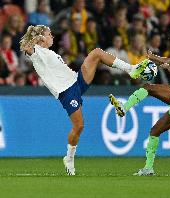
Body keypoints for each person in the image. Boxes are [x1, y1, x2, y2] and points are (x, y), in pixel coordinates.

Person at [19, 25, 149, 176]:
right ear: (42, 37)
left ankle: (131, 69)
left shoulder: (49, 52)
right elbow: (26, 47)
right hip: (66, 93)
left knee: (97, 53)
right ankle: (69, 158)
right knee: (79, 126)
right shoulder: (37, 52)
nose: (52, 37)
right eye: (49, 34)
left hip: (76, 81)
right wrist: (35, 39)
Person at [109, 33, 170, 176]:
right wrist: (153, 58)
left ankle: (124, 107)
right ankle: (148, 168)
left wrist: (168, 69)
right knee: (155, 131)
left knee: (148, 88)